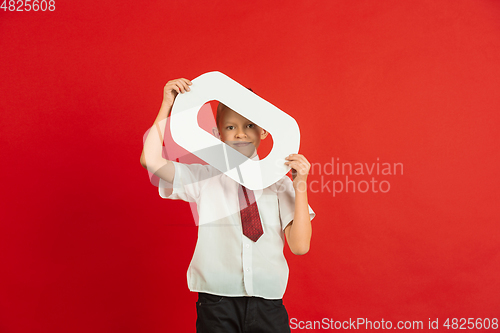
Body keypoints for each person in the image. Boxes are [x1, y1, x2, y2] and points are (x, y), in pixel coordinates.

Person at [140, 78, 315, 333]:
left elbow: (299, 246)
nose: (241, 133)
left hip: (268, 301)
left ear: (265, 131)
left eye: (250, 125)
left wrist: (300, 185)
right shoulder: (204, 177)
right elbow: (151, 160)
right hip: (216, 301)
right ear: (217, 134)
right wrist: (168, 104)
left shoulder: (279, 184)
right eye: (230, 126)